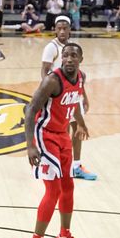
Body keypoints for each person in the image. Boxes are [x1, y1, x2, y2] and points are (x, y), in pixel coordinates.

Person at [23, 42, 90, 238]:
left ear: (81, 58)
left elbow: (76, 102)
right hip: (45, 135)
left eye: (73, 55)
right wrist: (30, 145)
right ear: (61, 58)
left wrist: (80, 123)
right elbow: (30, 108)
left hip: (62, 135)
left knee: (68, 186)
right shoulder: (52, 80)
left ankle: (64, 235)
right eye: (66, 55)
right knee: (53, 189)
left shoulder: (81, 77)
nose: (69, 59)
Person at [40, 16, 96, 180]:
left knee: (78, 128)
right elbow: (44, 71)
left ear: (70, 29)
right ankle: (59, 164)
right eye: (59, 28)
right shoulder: (51, 47)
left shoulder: (73, 47)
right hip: (58, 94)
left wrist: (83, 95)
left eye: (65, 28)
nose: (62, 31)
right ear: (55, 30)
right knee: (62, 130)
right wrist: (47, 93)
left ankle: (76, 166)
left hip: (72, 94)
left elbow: (77, 75)